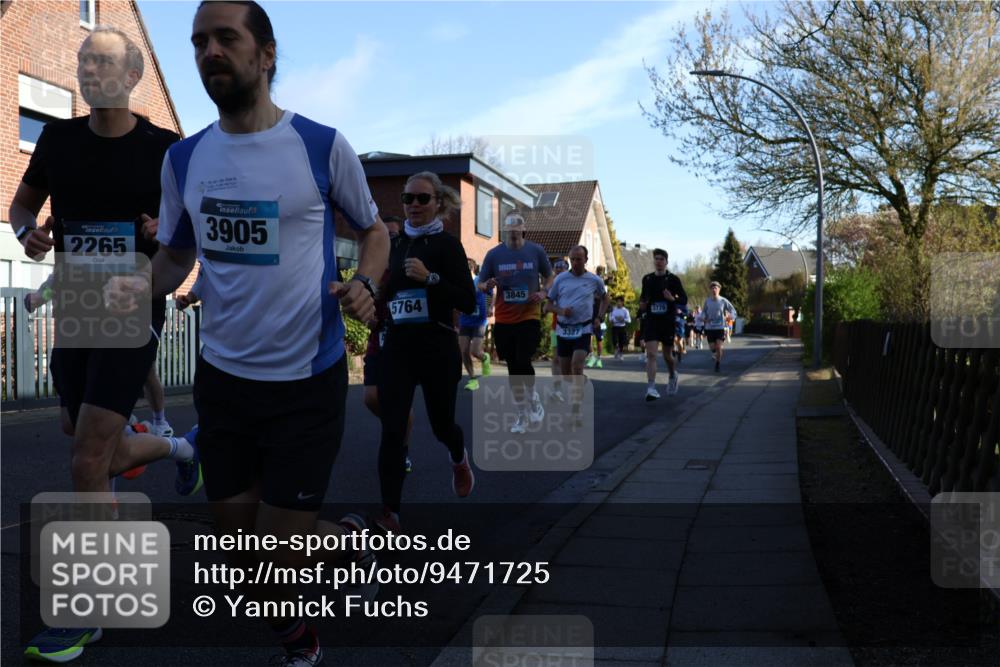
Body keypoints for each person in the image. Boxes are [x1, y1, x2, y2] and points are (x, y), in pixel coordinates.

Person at [109, 3, 391, 665]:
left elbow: (373, 230)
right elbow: (178, 256)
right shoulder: (184, 159)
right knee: (244, 552)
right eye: (198, 41)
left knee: (280, 551)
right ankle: (337, 558)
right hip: (225, 385)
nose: (210, 51)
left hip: (306, 383)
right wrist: (125, 287)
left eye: (225, 38)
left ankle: (310, 629)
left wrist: (368, 284)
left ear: (265, 53)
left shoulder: (322, 145)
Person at [10, 26, 200, 664]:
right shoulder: (58, 140)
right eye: (84, 61)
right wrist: (28, 234)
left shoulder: (166, 150)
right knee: (82, 434)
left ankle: (88, 606)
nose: (91, 71)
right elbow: (20, 208)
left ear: (133, 74)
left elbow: (185, 242)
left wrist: (160, 229)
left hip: (134, 304)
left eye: (105, 62)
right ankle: (179, 445)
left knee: (89, 457)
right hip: (77, 304)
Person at [376, 171, 477, 532]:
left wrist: (430, 279)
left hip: (437, 348)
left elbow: (467, 300)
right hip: (400, 349)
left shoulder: (448, 246)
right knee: (392, 429)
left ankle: (458, 456)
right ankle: (390, 511)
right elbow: (387, 293)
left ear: (438, 203)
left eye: (422, 199)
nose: (414, 205)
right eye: (408, 198)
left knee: (441, 426)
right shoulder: (397, 244)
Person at [478, 212, 553, 433]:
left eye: (515, 227)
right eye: (507, 228)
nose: (511, 231)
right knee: (513, 367)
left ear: (523, 229)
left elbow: (550, 276)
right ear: (504, 231)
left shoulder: (536, 251)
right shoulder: (494, 255)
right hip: (504, 318)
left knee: (522, 359)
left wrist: (543, 292)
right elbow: (480, 284)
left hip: (529, 315)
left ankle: (533, 399)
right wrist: (487, 285)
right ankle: (522, 414)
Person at [361, 216, 414, 479]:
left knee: (399, 404)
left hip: (402, 344)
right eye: (386, 234)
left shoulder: (405, 267)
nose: (390, 239)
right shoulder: (373, 267)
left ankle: (401, 448)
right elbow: (363, 304)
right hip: (377, 341)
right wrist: (368, 315)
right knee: (371, 397)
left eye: (395, 234)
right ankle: (394, 426)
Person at [545, 246, 608, 425]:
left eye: (579, 259)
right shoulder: (561, 279)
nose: (575, 262)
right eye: (572, 259)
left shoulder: (594, 280)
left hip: (584, 329)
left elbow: (605, 299)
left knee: (576, 364)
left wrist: (600, 316)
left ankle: (576, 411)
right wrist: (561, 310)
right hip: (563, 329)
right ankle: (581, 380)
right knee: (566, 375)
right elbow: (547, 306)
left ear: (586, 259)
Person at [638, 248, 687, 400]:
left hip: (667, 322)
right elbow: (643, 298)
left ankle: (673, 374)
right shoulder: (647, 279)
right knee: (651, 354)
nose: (658, 262)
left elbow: (684, 300)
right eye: (656, 259)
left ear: (666, 262)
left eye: (661, 259)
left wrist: (672, 299)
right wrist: (642, 305)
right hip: (652, 321)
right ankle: (651, 388)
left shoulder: (673, 279)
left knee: (667, 356)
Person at [459, 258, 492, 390]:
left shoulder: (479, 280)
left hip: (479, 320)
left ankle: (484, 357)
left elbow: (491, 293)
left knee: (475, 351)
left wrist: (490, 307)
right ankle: (473, 379)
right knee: (464, 351)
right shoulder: (460, 283)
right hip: (465, 320)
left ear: (472, 268)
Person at [703, 281, 738, 372]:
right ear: (710, 290)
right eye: (712, 288)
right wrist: (704, 319)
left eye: (716, 288)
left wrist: (730, 317)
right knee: (712, 348)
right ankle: (716, 353)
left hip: (720, 327)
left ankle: (717, 364)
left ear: (719, 290)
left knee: (718, 347)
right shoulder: (707, 301)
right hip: (710, 328)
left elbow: (733, 311)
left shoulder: (723, 301)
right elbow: (703, 312)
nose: (714, 290)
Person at [548, 258, 568, 401]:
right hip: (556, 326)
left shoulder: (573, 285)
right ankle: (557, 390)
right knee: (555, 359)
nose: (558, 271)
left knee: (570, 360)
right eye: (556, 269)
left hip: (574, 327)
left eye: (561, 269)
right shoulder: (553, 287)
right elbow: (547, 306)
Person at [585, 268, 607, 368]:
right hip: (589, 317)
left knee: (599, 340)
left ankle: (599, 358)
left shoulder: (602, 288)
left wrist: (601, 316)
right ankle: (592, 356)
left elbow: (606, 301)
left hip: (599, 318)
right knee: (589, 338)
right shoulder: (589, 287)